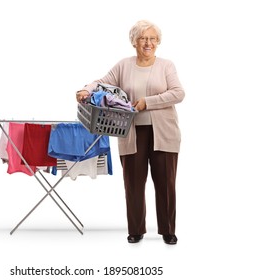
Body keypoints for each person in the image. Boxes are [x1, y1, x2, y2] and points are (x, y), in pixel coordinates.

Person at [76, 20, 185, 245]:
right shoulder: (124, 65)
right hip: (131, 132)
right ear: (134, 42)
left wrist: (148, 102)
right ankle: (136, 230)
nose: (148, 43)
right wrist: (86, 89)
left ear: (158, 42)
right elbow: (101, 83)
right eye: (143, 38)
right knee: (133, 183)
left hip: (163, 133)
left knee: (165, 183)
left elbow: (178, 93)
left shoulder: (166, 66)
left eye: (152, 38)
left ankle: (168, 230)